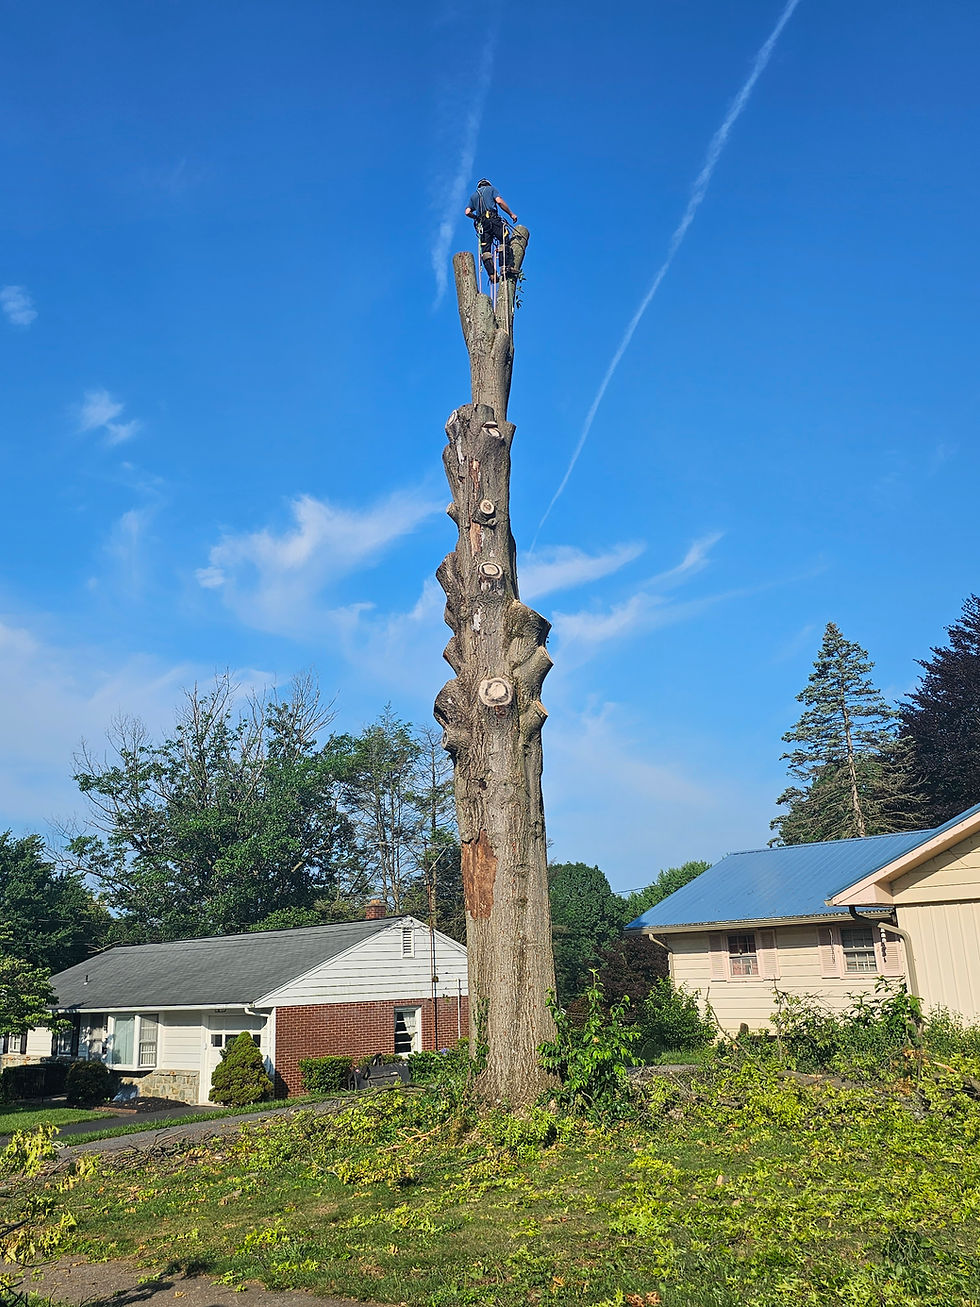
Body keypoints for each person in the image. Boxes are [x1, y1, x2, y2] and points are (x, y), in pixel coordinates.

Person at [465, 179, 518, 282]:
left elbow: (467, 212)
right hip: (493, 219)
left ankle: (492, 274)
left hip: (483, 225)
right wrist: (511, 214)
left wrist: (476, 218)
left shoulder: (473, 196)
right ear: (488, 184)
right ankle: (505, 267)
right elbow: (499, 201)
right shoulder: (491, 189)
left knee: (485, 250)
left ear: (479, 186)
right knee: (504, 239)